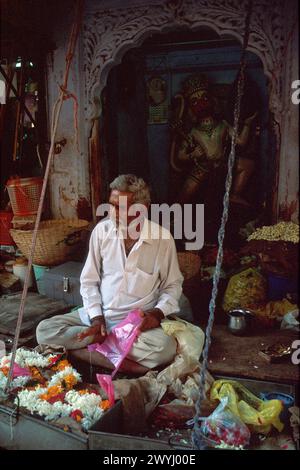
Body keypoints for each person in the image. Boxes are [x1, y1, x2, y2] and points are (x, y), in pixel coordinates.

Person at [36, 174, 184, 375]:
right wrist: (97, 318)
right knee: (44, 330)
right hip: (99, 319)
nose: (112, 213)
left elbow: (172, 286)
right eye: (111, 205)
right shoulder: (102, 231)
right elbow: (89, 281)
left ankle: (86, 350)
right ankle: (106, 348)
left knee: (164, 349)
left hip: (135, 326)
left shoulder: (162, 240)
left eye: (120, 208)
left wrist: (157, 315)